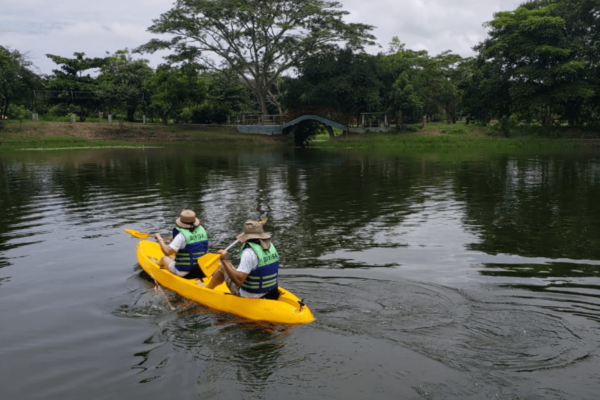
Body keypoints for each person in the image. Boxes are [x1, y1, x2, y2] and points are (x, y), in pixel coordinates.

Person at [200, 220, 279, 299]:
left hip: (250, 295)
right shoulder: (271, 246)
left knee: (223, 267)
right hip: (271, 291)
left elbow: (238, 281)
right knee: (233, 267)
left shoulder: (248, 253)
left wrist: (224, 260)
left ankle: (207, 290)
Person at [153, 210, 208, 277]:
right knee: (171, 257)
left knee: (164, 258)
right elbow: (192, 246)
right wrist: (173, 240)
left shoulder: (181, 236)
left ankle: (155, 263)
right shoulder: (202, 230)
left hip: (185, 271)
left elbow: (167, 252)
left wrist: (159, 238)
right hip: (201, 268)